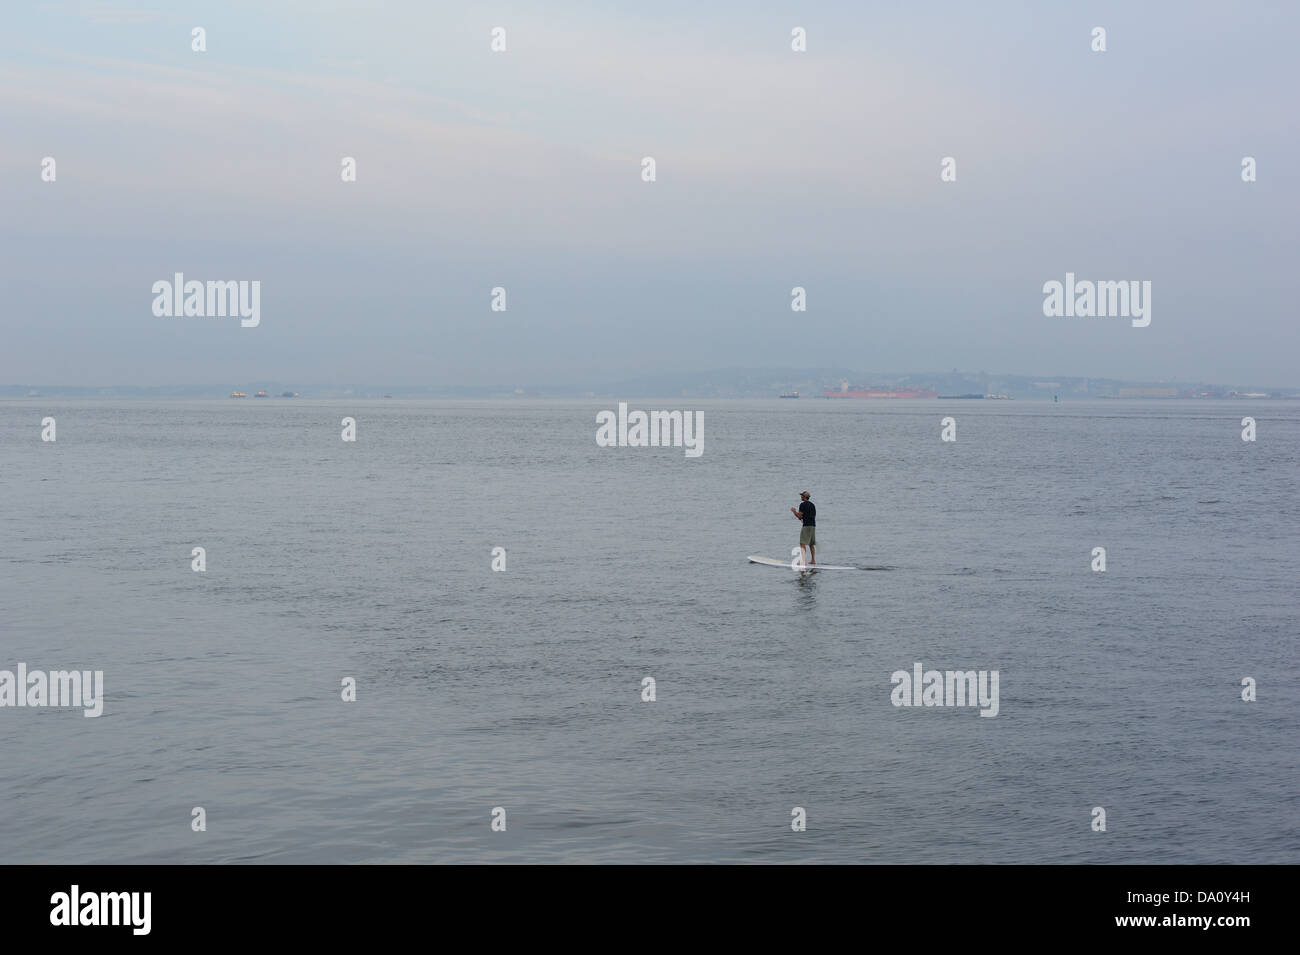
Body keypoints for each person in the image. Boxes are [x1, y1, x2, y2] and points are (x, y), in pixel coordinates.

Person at [790, 490, 816, 566]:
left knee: (802, 543)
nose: (801, 496)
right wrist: (802, 518)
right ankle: (813, 560)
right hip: (813, 525)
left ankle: (803, 561)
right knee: (811, 544)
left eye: (802, 495)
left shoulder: (802, 504)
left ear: (804, 497)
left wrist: (794, 511)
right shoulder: (812, 505)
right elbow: (809, 516)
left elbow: (799, 516)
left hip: (806, 526)